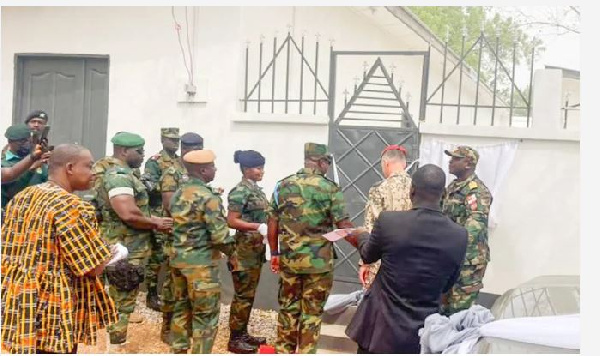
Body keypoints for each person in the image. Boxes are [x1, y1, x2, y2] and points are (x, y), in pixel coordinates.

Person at [1, 144, 118, 354]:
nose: (93, 173)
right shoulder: (71, 206)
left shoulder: (23, 196)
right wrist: (114, 253)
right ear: (70, 167)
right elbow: (92, 267)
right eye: (89, 166)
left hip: (19, 301)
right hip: (52, 309)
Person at [344, 164, 468, 354]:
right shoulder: (459, 235)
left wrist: (361, 235)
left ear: (412, 191)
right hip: (421, 335)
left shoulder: (389, 221)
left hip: (380, 330)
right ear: (443, 194)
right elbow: (447, 285)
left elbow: (368, 255)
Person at [267, 142, 353, 354]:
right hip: (319, 265)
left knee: (288, 310)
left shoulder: (282, 186)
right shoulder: (330, 189)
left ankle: (284, 351)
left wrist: (275, 253)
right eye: (327, 164)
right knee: (311, 314)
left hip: (289, 262)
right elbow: (344, 226)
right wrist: (363, 242)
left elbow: (272, 224)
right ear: (322, 162)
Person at [94, 132, 173, 350]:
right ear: (123, 151)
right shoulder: (120, 175)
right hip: (125, 249)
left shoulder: (128, 173)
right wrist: (155, 223)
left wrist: (151, 219)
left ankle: (116, 342)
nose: (143, 155)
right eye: (139, 151)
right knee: (123, 300)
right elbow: (127, 213)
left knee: (122, 297)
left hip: (130, 246)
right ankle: (116, 347)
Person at [169, 149, 235, 354]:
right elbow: (220, 236)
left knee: (180, 309)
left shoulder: (179, 193)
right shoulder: (209, 197)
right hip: (201, 266)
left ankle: (178, 350)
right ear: (204, 170)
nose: (215, 169)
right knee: (205, 316)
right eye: (213, 166)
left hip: (178, 261)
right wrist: (233, 253)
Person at [158, 131, 204, 344]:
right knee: (172, 286)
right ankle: (168, 327)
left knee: (193, 287)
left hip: (196, 239)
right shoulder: (172, 172)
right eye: (193, 150)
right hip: (176, 236)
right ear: (184, 149)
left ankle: (188, 325)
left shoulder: (199, 172)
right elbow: (169, 205)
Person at [441, 146, 493, 316]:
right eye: (451, 158)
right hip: (451, 256)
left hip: (468, 260)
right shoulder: (453, 187)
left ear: (468, 164)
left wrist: (451, 245)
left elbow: (476, 224)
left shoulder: (476, 191)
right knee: (445, 306)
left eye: (456, 158)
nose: (450, 161)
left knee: (459, 310)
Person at [226, 150, 269, 353]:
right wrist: (256, 227)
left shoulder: (256, 190)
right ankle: (235, 340)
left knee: (248, 295)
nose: (261, 171)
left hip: (255, 251)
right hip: (243, 253)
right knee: (242, 296)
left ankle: (242, 333)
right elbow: (232, 220)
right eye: (257, 168)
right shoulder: (240, 191)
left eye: (261, 167)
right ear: (245, 169)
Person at [359, 144, 412, 289]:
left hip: (383, 262)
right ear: (404, 163)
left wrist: (365, 263)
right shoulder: (418, 188)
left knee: (375, 304)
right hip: (410, 262)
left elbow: (371, 228)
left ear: (385, 163)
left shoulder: (379, 189)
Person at [143, 127, 184, 311]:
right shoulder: (155, 162)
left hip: (176, 215)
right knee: (158, 255)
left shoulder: (181, 162)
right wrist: (167, 186)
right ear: (162, 140)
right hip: (159, 212)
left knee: (171, 254)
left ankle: (170, 294)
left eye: (177, 140)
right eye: (171, 140)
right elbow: (149, 186)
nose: (175, 144)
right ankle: (151, 294)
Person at [1, 124, 49, 208]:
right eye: (22, 141)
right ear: (10, 142)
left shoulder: (39, 161)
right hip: (11, 215)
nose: (26, 144)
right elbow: (13, 193)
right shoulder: (3, 164)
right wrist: (32, 168)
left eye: (28, 140)